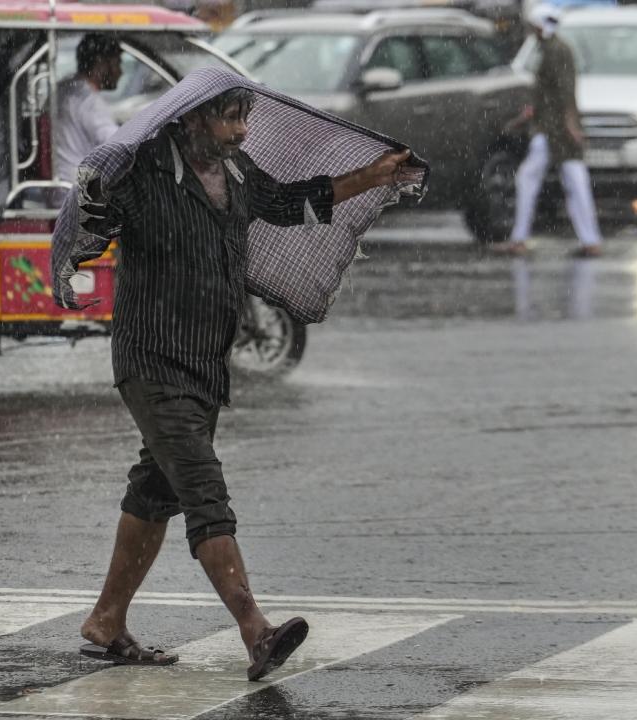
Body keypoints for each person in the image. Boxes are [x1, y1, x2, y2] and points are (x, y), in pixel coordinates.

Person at [58, 87, 424, 681]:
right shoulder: (144, 173)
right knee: (204, 490)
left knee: (156, 490)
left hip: (205, 362)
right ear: (194, 118)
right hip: (152, 360)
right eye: (232, 119)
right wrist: (94, 196)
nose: (242, 132)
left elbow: (288, 202)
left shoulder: (234, 170)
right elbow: (97, 209)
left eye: (244, 119)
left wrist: (373, 176)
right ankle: (256, 630)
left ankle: (105, 622)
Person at [492, 4, 603, 259]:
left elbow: (564, 92)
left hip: (555, 130)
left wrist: (570, 125)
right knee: (573, 183)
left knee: (540, 180)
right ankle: (589, 240)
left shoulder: (555, 51)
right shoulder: (554, 49)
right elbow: (554, 92)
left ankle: (522, 238)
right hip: (554, 129)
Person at [54, 34, 123, 184]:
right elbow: (118, 144)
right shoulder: (88, 101)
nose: (120, 72)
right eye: (117, 63)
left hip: (59, 183)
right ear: (100, 62)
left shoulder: (63, 89)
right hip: (76, 190)